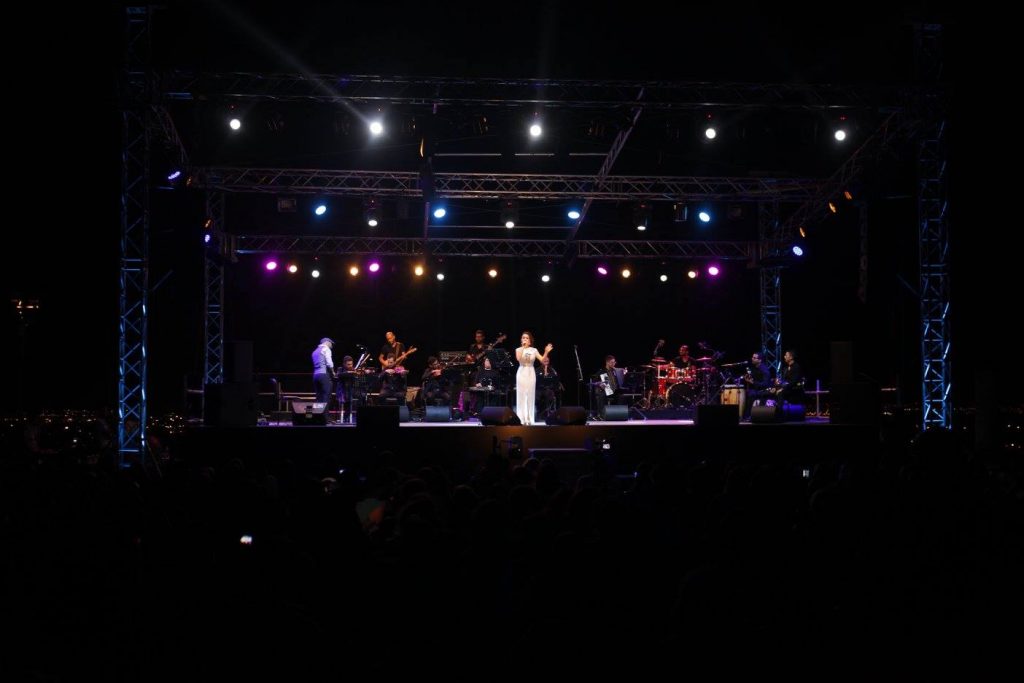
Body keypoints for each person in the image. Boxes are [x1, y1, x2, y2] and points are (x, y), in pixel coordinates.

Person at [514, 331, 553, 425]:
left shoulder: (534, 350)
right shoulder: (518, 349)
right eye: (523, 338)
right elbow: (519, 359)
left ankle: (529, 418)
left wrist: (546, 352)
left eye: (527, 338)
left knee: (530, 395)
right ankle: (522, 418)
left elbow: (542, 360)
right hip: (521, 372)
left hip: (531, 372)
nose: (525, 339)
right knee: (522, 395)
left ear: (530, 341)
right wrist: (523, 347)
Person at [741, 351, 775, 420]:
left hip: (765, 390)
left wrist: (753, 382)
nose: (752, 358)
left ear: (760, 360)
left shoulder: (764, 370)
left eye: (754, 358)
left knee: (751, 394)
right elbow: (754, 379)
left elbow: (765, 384)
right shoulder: (755, 368)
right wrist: (748, 378)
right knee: (747, 392)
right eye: (752, 357)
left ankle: (748, 415)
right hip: (757, 388)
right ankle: (745, 415)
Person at [312, 337, 336, 403]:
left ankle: (317, 410)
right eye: (331, 343)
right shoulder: (326, 349)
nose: (331, 345)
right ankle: (325, 410)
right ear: (327, 342)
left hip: (315, 375)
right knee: (326, 396)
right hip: (323, 375)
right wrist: (333, 372)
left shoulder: (315, 351)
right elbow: (329, 363)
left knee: (319, 397)